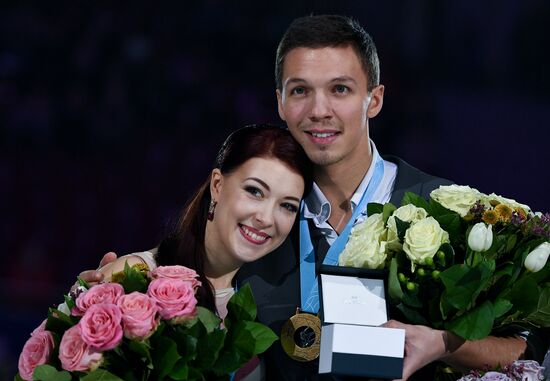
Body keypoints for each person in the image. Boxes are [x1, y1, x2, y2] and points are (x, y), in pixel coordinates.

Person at [81, 15, 542, 381]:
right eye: (300, 90)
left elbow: (531, 347)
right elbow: (185, 267)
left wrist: (444, 343)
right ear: (281, 102)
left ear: (374, 99)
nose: (319, 110)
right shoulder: (262, 221)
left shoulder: (446, 209)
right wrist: (125, 275)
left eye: (340, 89)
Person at [86, 124, 313, 380]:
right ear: (217, 185)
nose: (266, 218)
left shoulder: (264, 310)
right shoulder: (134, 279)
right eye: (254, 191)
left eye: (287, 206)